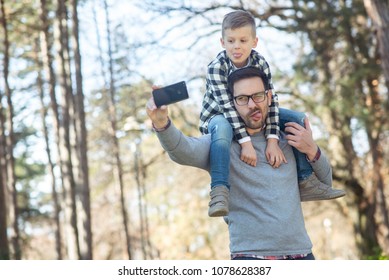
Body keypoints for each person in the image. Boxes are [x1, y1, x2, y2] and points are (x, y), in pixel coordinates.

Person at [146, 67, 346, 260]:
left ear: (268, 97)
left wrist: (312, 149)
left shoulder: (289, 137)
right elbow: (183, 151)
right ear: (232, 104)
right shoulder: (221, 145)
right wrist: (162, 123)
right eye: (242, 99)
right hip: (250, 257)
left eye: (258, 96)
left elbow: (325, 182)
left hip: (302, 254)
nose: (252, 105)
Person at [199, 10, 345, 217]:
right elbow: (228, 108)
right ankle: (220, 191)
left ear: (254, 41)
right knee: (222, 128)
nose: (236, 46)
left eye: (243, 40)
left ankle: (305, 180)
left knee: (297, 119)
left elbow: (272, 102)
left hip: (253, 110)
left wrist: (272, 139)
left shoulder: (261, 63)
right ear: (222, 42)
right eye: (231, 40)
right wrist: (245, 143)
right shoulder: (216, 68)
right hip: (219, 115)